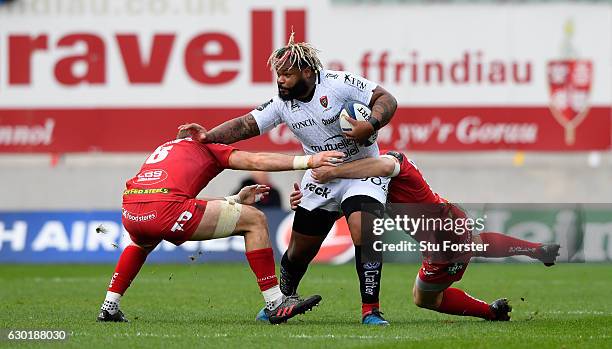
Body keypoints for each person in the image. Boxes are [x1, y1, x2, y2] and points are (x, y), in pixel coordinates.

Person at [180, 33, 398, 325]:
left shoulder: (338, 83)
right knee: (298, 251)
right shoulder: (282, 103)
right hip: (321, 176)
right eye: (278, 75)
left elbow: (386, 98)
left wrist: (369, 125)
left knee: (363, 229)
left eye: (286, 74)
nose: (280, 80)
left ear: (307, 72)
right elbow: (246, 124)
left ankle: (370, 310)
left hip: (361, 169)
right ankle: (283, 298)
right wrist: (209, 136)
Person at [96, 126, 344, 324]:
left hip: (132, 208)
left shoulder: (167, 148)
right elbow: (258, 161)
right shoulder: (210, 149)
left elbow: (176, 198)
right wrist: (309, 161)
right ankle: (275, 302)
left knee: (142, 243)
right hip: (166, 209)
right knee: (255, 220)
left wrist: (233, 200)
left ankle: (109, 306)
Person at [308, 150, 561, 321]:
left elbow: (386, 165)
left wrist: (332, 172)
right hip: (449, 218)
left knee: (425, 298)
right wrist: (307, 201)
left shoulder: (384, 161)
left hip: (442, 238)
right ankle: (536, 250)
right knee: (476, 243)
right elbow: (353, 206)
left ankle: (491, 312)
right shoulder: (366, 175)